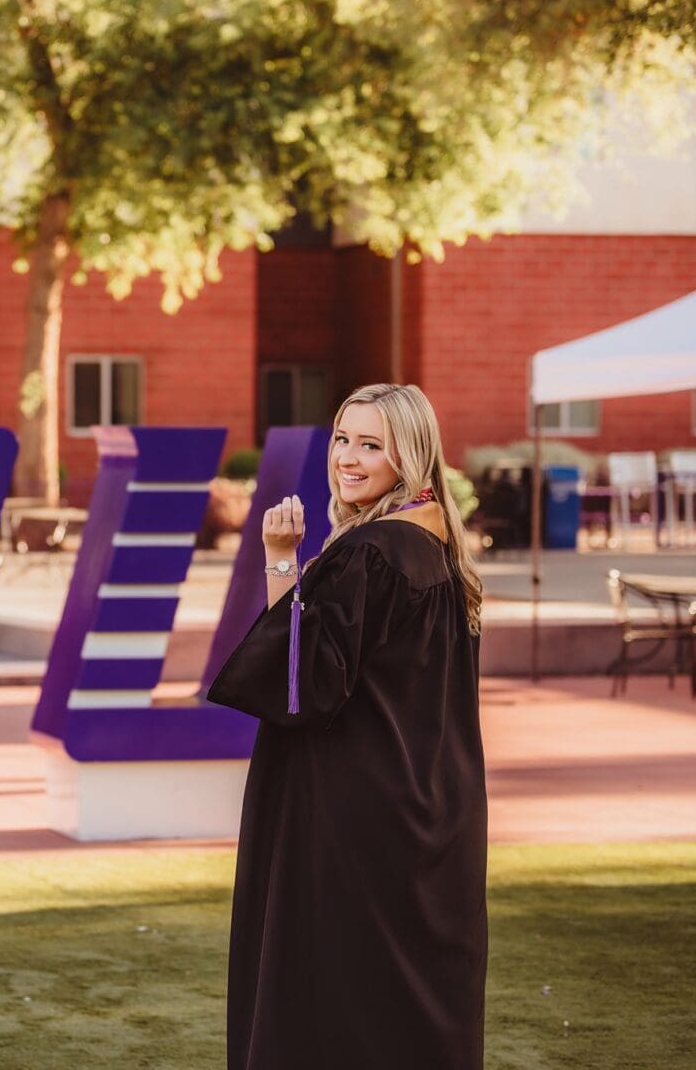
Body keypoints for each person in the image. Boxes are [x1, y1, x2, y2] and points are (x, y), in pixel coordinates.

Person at [207, 383, 488, 1070]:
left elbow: (299, 684)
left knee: (331, 992)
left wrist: (280, 558)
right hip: (428, 804)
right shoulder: (439, 553)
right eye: (342, 439)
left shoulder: (372, 552)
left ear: (409, 454)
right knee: (399, 996)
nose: (348, 458)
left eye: (370, 444)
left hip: (349, 809)